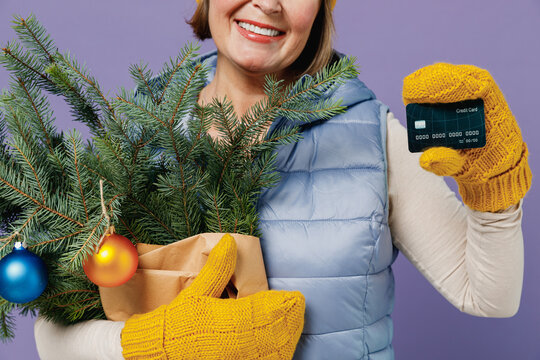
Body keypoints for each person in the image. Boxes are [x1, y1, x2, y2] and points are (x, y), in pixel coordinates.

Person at [34, 0, 531, 359]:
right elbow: (50, 334)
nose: (268, 3)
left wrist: (495, 190)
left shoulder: (370, 136)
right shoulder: (142, 130)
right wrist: (149, 346)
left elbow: (489, 296)